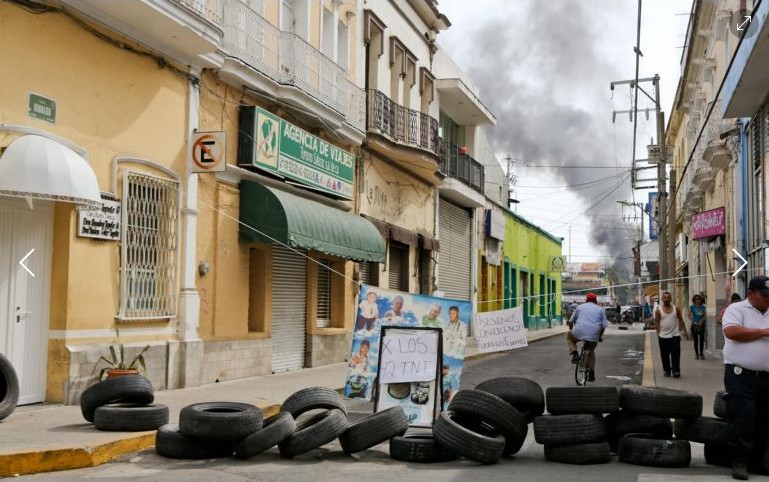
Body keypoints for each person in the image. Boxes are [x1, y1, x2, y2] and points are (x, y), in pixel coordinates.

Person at [721, 276, 769, 480]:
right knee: (743, 417)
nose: (768, 299)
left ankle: (758, 461)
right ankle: (739, 461)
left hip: (766, 377)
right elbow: (731, 331)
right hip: (740, 375)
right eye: (764, 295)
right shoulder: (737, 309)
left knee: (764, 420)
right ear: (751, 293)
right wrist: (764, 332)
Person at [566, 292, 608, 382]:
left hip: (578, 332)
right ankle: (591, 373)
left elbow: (571, 321)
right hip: (593, 335)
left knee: (569, 337)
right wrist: (599, 337)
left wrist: (571, 329)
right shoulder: (600, 310)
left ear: (586, 300)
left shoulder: (580, 307)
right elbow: (603, 326)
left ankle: (574, 354)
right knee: (591, 351)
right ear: (595, 301)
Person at [655, 291, 689, 378]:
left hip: (675, 335)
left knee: (676, 354)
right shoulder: (658, 310)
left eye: (668, 297)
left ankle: (676, 371)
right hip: (663, 336)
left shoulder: (676, 309)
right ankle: (667, 370)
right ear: (662, 299)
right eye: (665, 297)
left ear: (671, 299)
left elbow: (681, 320)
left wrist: (685, 331)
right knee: (664, 355)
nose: (666, 299)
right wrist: (658, 333)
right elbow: (657, 323)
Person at [689, 294, 707, 360]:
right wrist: (693, 321)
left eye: (698, 299)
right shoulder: (692, 307)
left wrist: (701, 321)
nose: (697, 301)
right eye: (696, 299)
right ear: (694, 300)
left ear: (701, 300)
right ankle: (696, 354)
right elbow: (689, 315)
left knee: (701, 340)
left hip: (701, 325)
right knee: (696, 340)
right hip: (694, 325)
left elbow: (705, 315)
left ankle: (701, 353)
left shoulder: (703, 307)